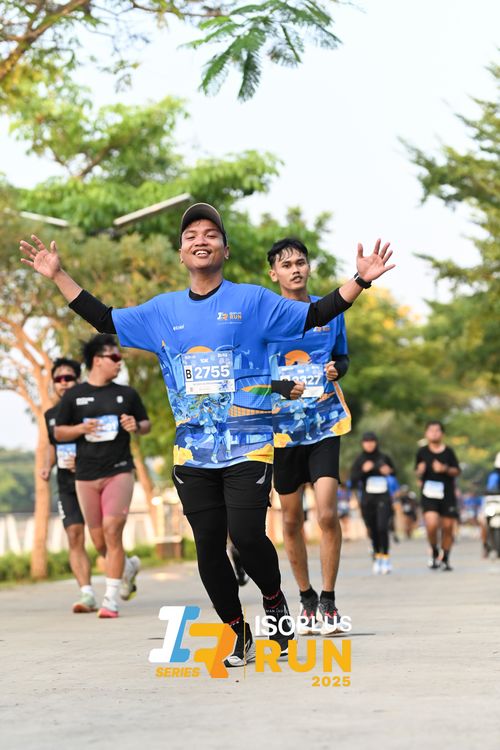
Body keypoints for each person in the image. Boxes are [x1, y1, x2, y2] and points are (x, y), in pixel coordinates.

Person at [20, 203, 394, 665]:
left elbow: (316, 312)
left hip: (249, 443)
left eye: (211, 234)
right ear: (181, 253)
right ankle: (238, 631)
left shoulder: (253, 302)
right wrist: (58, 275)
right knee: (209, 549)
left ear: (225, 250)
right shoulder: (162, 311)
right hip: (192, 452)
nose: (201, 239)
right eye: (191, 235)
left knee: (248, 536)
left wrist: (360, 280)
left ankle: (274, 600)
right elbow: (105, 318)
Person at [266, 237, 351, 636]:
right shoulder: (265, 318)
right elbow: (252, 374)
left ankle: (329, 600)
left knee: (327, 512)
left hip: (325, 424)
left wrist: (337, 370)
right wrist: (283, 388)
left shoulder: (330, 312)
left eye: (300, 262)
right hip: (282, 432)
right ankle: (306, 597)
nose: (295, 269)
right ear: (274, 274)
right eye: (286, 265)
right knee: (290, 519)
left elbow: (342, 357)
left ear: (309, 267)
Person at [54, 334, 151, 617]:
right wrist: (80, 429)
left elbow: (145, 424)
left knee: (112, 529)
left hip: (119, 470)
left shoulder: (127, 394)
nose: (119, 362)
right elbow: (59, 432)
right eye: (114, 357)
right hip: (85, 475)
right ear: (98, 360)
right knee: (98, 541)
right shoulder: (74, 396)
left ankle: (110, 600)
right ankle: (128, 567)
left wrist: (135, 425)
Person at [42, 357, 98, 613]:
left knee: (102, 537)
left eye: (68, 378)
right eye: (58, 379)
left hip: (94, 479)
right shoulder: (50, 416)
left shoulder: (91, 407)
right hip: (66, 484)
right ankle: (87, 593)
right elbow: (52, 446)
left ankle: (125, 566)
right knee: (74, 534)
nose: (63, 383)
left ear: (78, 380)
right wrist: (47, 465)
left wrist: (86, 459)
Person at [415, 421, 460, 571]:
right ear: (426, 433)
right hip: (429, 494)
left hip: (447, 493)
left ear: (442, 434)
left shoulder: (449, 452)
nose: (434, 433)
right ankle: (434, 550)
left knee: (448, 527)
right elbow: (417, 472)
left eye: (437, 430)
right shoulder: (422, 452)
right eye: (431, 430)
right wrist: (420, 471)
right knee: (432, 524)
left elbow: (457, 471)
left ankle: (445, 558)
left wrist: (444, 469)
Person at [351, 432, 396, 574]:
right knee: (373, 529)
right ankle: (377, 557)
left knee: (383, 527)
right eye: (366, 441)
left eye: (372, 441)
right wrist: (364, 471)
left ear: (376, 442)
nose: (369, 444)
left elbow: (394, 472)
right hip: (367, 500)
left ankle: (386, 558)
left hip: (383, 497)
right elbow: (353, 480)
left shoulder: (384, 457)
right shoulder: (360, 459)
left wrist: (388, 471)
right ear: (362, 444)